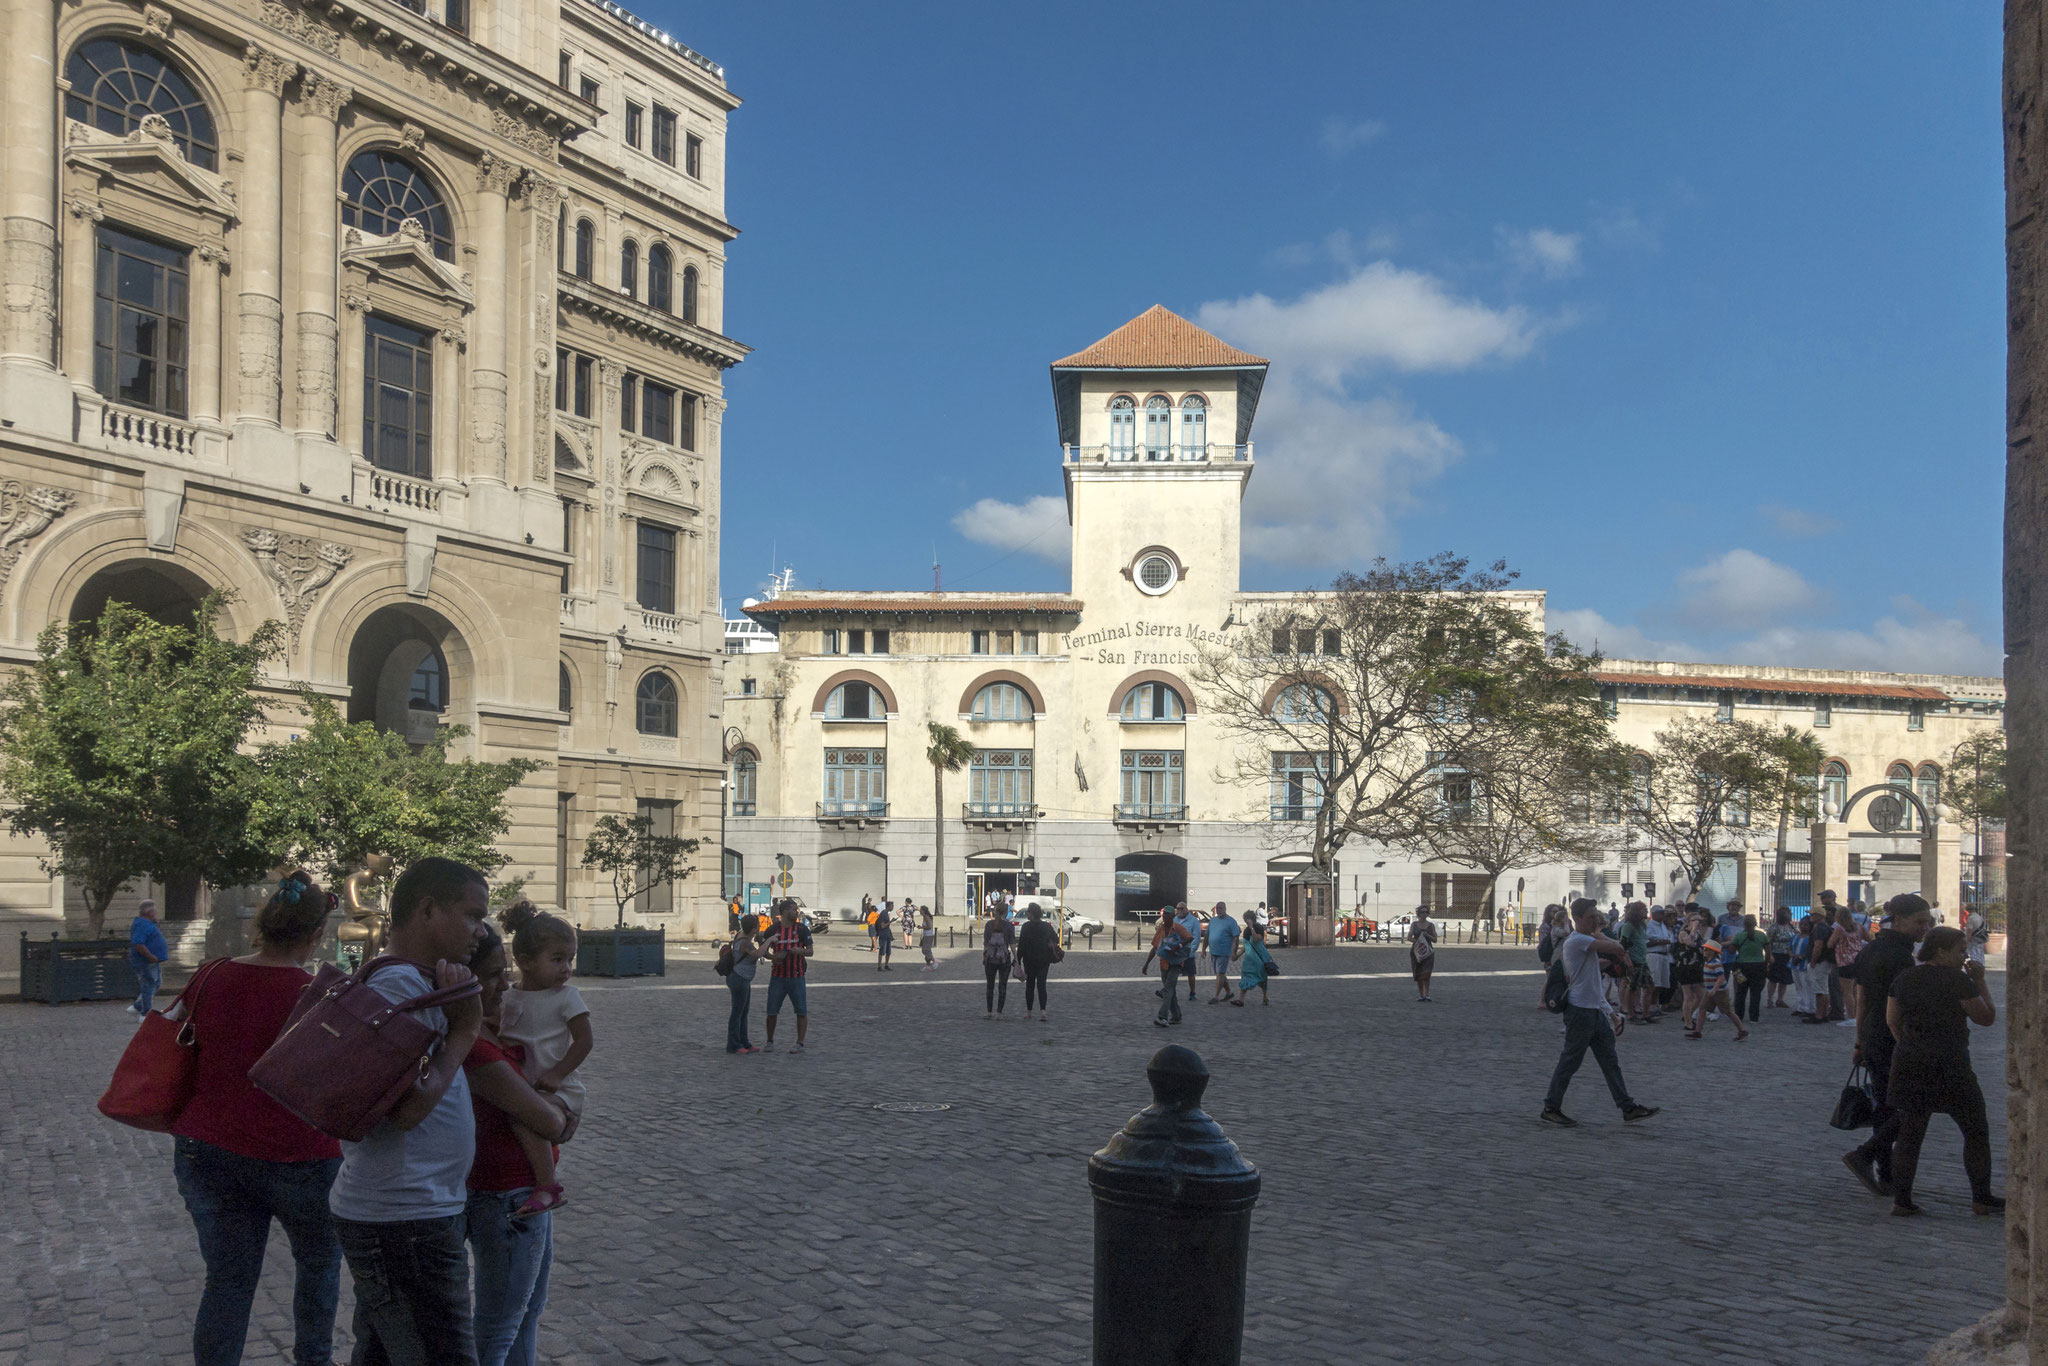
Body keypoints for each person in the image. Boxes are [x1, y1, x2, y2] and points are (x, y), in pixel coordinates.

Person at [328, 857, 505, 1366]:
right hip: (404, 1218)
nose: (481, 931)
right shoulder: (399, 987)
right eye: (472, 916)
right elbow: (406, 1109)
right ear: (428, 910)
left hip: (412, 1210)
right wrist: (465, 1029)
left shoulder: (416, 983)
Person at [171, 872, 343, 1366]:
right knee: (318, 1263)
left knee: (227, 1279)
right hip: (299, 1153)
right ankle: (314, 1358)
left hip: (208, 1147)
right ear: (315, 935)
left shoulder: (210, 975)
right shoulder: (320, 995)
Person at [462, 918, 577, 1366]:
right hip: (505, 1193)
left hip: (521, 1190)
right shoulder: (474, 1043)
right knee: (500, 1324)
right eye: (493, 975)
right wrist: (563, 1116)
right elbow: (546, 1122)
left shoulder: (488, 1024)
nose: (504, 984)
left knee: (527, 1313)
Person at [1885, 926, 2002, 1217]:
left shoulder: (1904, 978)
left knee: (1910, 1133)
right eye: (1961, 950)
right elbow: (1985, 1017)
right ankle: (1981, 1197)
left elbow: (1892, 1021)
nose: (1964, 955)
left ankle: (1902, 1200)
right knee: (1975, 1130)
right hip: (1950, 1062)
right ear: (1942, 951)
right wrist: (1981, 982)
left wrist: (1910, 1044)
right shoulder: (1958, 981)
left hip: (1910, 1061)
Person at [493, 903, 590, 1220]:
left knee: (524, 1115)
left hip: (558, 1089)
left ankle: (548, 1185)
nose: (566, 968)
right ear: (525, 962)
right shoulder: (508, 996)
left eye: (570, 959)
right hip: (523, 1085)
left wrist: (557, 1073)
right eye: (558, 959)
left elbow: (584, 1041)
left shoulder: (566, 996)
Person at [1842, 892, 1936, 1197]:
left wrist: (1859, 1040)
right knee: (1915, 1103)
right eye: (1920, 921)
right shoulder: (1898, 955)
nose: (1926, 927)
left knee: (1885, 1104)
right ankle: (1868, 1155)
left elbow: (1862, 998)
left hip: (1873, 1035)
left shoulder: (1872, 949)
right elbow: (1900, 1005)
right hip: (1894, 1036)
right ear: (1900, 919)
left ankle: (1885, 1173)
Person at [1540, 899, 1658, 1127]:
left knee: (1610, 1062)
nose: (1596, 918)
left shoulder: (1587, 942)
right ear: (1579, 918)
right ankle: (1550, 1107)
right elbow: (1618, 947)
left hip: (1594, 1012)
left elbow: (1594, 986)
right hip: (1579, 1012)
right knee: (1570, 1062)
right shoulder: (1577, 941)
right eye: (1592, 915)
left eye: (1596, 915)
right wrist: (1600, 934)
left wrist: (1611, 1015)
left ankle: (1627, 1107)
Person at [762, 899, 813, 1052]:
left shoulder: (802, 929)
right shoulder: (772, 930)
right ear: (784, 912)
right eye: (793, 909)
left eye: (796, 909)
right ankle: (769, 1041)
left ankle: (800, 1043)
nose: (796, 911)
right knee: (772, 1012)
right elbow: (763, 950)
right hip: (777, 976)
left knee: (801, 1011)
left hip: (796, 976)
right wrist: (773, 958)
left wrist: (801, 951)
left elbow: (810, 951)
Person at [1694, 921, 1748, 1041]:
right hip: (1710, 991)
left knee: (1728, 1012)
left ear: (1712, 952)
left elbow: (1721, 977)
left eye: (1707, 950)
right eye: (1704, 949)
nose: (1704, 952)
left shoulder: (1716, 963)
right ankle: (1697, 1031)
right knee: (1702, 1009)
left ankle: (1742, 1030)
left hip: (1719, 991)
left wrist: (1713, 989)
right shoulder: (1708, 962)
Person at [724, 918, 764, 1053]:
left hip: (741, 978)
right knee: (737, 1012)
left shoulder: (740, 935)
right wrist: (770, 941)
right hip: (739, 978)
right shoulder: (745, 942)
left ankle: (745, 1042)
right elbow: (758, 953)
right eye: (757, 926)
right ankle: (734, 1045)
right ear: (753, 928)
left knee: (743, 1012)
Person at [1152, 906, 1196, 1028]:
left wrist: (1178, 946)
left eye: (1167, 914)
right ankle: (1176, 1016)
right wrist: (1146, 964)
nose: (1164, 916)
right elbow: (1154, 947)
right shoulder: (1161, 929)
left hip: (1176, 963)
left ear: (1172, 916)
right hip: (1164, 963)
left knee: (1168, 990)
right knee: (1170, 991)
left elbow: (1189, 938)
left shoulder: (1178, 928)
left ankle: (1162, 1017)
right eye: (1163, 914)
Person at [127, 898, 169, 1018]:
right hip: (146, 961)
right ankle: (145, 1014)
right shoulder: (142, 924)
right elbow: (138, 943)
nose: (156, 912)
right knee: (149, 984)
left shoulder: (147, 924)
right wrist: (150, 956)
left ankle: (137, 1006)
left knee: (156, 983)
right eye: (154, 910)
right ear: (149, 912)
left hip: (152, 961)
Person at [1017, 903, 1059, 1022]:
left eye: (1028, 912)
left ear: (1032, 913)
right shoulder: (1046, 926)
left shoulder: (1026, 927)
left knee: (1029, 986)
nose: (1027, 914)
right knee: (1041, 985)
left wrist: (1018, 960)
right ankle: (1043, 1012)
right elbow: (1055, 939)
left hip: (1029, 960)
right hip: (1044, 960)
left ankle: (1029, 1012)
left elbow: (1021, 945)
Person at [1613, 902, 1653, 1023]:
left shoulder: (1642, 925)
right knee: (1632, 988)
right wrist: (1627, 960)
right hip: (1633, 961)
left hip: (1642, 961)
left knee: (1649, 986)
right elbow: (1623, 944)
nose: (1646, 911)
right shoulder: (1628, 926)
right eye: (1643, 909)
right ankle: (1631, 1014)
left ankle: (1645, 1014)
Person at [1829, 904, 1867, 1027]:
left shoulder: (1839, 929)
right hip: (1859, 960)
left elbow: (1830, 944)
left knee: (1847, 991)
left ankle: (1851, 1017)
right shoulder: (1859, 927)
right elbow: (1870, 938)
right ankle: (1858, 1015)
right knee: (1856, 990)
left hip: (1845, 961)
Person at [1728, 914, 1771, 1024]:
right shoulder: (1762, 935)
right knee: (1756, 993)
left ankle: (1739, 1016)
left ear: (1744, 924)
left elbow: (1731, 951)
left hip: (1741, 967)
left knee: (1740, 992)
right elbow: (1768, 953)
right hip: (1758, 967)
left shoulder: (1739, 936)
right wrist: (1765, 964)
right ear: (1756, 923)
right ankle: (1754, 1017)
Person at [983, 908, 1016, 1019]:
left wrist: (985, 956)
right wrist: (1016, 958)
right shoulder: (1009, 926)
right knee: (1003, 986)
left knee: (990, 986)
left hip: (990, 958)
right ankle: (999, 1013)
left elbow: (986, 943)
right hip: (1004, 959)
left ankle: (989, 1012)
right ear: (1006, 913)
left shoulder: (989, 924)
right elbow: (1012, 944)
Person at [1208, 903, 1242, 1004]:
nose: (1219, 910)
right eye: (1217, 908)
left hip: (1224, 952)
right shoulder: (1213, 920)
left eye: (1221, 908)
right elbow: (1207, 935)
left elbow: (1236, 937)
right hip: (1213, 951)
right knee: (1220, 974)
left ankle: (1216, 996)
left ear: (1225, 909)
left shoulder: (1231, 921)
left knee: (1220, 973)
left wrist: (1234, 952)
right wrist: (1204, 948)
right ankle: (1229, 992)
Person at [1765, 906, 1797, 1009]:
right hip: (1776, 955)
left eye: (1787, 913)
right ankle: (1770, 999)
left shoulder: (1791, 927)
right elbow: (1768, 942)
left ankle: (1780, 999)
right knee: (1773, 979)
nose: (1786, 915)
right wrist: (1769, 955)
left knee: (1784, 979)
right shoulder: (1774, 927)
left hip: (1788, 956)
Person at [1237, 923, 1274, 1006]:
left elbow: (1256, 938)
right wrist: (1237, 956)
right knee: (1249, 976)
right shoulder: (1247, 930)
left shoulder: (1257, 928)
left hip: (1258, 959)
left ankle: (1264, 997)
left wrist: (1251, 928)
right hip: (1254, 959)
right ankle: (1242, 1000)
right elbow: (1246, 945)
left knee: (1260, 978)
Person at [1645, 906, 1674, 1011]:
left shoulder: (1663, 926)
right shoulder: (1649, 926)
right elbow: (1646, 942)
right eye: (1660, 913)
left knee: (1661, 983)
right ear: (1654, 914)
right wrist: (1659, 941)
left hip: (1664, 955)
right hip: (1654, 955)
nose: (1663, 915)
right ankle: (1649, 1007)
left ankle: (1655, 1006)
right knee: (1654, 982)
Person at [1407, 905, 1437, 1003]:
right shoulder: (1414, 924)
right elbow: (1409, 937)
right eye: (1422, 912)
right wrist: (1418, 941)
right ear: (1419, 913)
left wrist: (1427, 935)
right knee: (1419, 974)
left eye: (1426, 912)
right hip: (1417, 952)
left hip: (1428, 952)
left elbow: (1435, 939)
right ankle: (1421, 995)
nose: (1424, 914)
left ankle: (1427, 994)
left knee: (1427, 974)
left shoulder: (1431, 925)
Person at [874, 901, 894, 972]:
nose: (893, 907)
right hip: (883, 935)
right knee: (882, 951)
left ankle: (886, 965)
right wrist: (890, 922)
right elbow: (882, 926)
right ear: (888, 906)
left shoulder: (886, 913)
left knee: (888, 951)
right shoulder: (883, 914)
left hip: (887, 934)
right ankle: (879, 966)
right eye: (892, 906)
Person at [919, 904, 937, 972]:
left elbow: (929, 927)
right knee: (928, 950)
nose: (920, 911)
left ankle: (934, 961)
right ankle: (928, 965)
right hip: (927, 935)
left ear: (923, 911)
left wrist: (921, 927)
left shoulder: (926, 917)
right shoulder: (925, 916)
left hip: (928, 935)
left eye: (920, 910)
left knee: (925, 950)